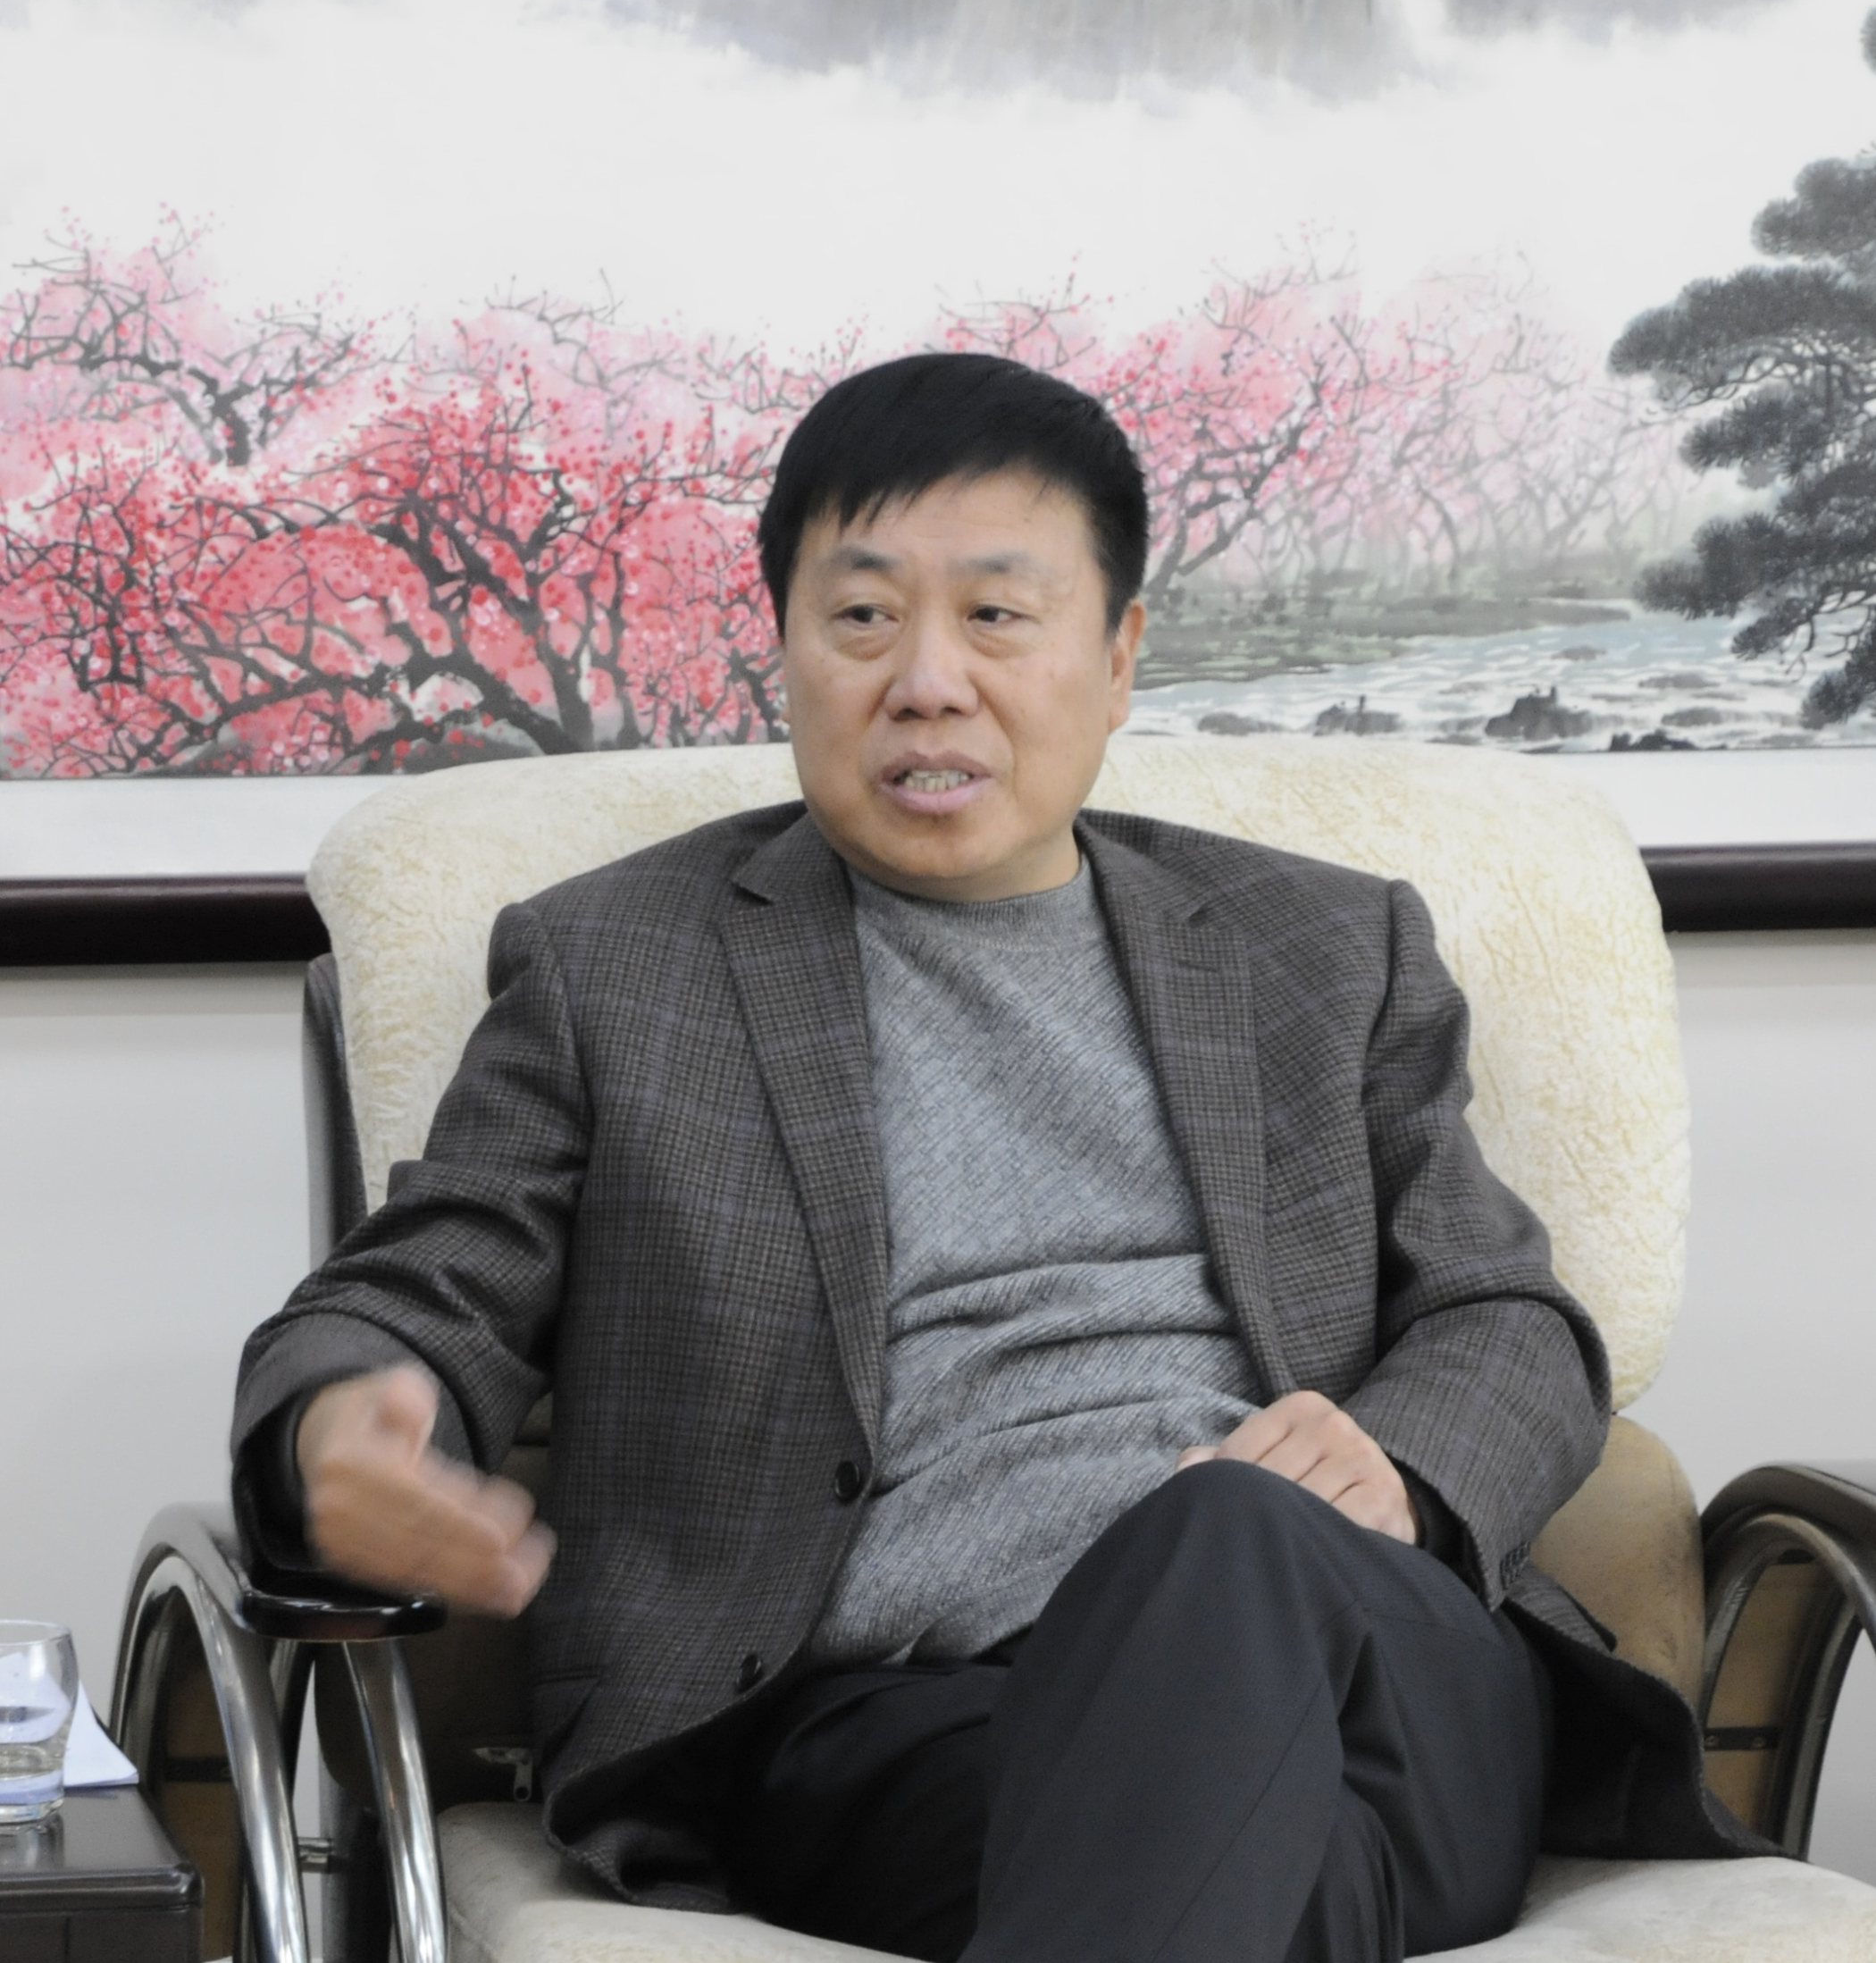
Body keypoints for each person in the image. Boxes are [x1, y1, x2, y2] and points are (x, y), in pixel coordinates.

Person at [232, 354, 1754, 1963]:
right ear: (784, 650)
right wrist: (339, 1427)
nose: (927, 681)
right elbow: (422, 1287)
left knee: (1227, 1535)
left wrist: (1400, 1465)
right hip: (910, 1723)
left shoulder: (1320, 947)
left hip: (1374, 1667)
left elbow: (1509, 1313)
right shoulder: (622, 969)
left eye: (997, 616)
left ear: (1119, 655)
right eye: (863, 616)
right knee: (1255, 1869)